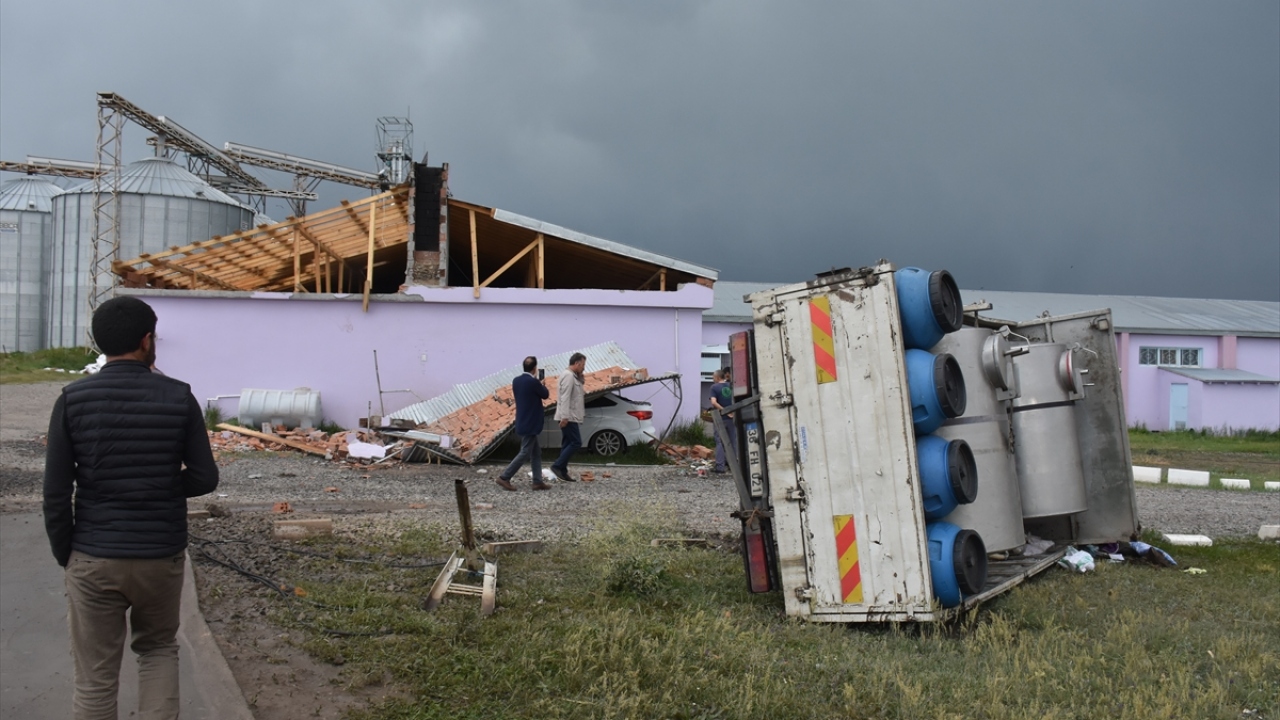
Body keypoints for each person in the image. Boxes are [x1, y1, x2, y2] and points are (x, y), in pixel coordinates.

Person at [43, 296, 220, 720]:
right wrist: (158, 487)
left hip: (92, 555)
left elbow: (54, 491)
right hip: (159, 554)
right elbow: (204, 477)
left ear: (100, 343)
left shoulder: (73, 399)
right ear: (146, 341)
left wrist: (67, 552)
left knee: (95, 677)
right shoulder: (179, 397)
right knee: (158, 649)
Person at [496, 356, 552, 491]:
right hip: (531, 422)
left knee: (536, 453)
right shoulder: (533, 382)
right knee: (525, 452)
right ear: (534, 369)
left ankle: (537, 481)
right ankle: (505, 477)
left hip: (522, 420)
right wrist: (541, 383)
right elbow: (545, 394)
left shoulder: (517, 381)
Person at [550, 352, 586, 482]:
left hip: (572, 415)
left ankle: (563, 472)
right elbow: (565, 397)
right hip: (569, 416)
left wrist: (581, 377)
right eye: (582, 365)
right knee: (576, 442)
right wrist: (564, 417)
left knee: (567, 443)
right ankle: (557, 466)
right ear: (576, 363)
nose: (583, 367)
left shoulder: (574, 377)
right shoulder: (568, 376)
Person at [709, 367, 737, 474]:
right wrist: (732, 411)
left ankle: (720, 467)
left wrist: (724, 410)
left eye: (713, 377)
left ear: (716, 377)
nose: (713, 379)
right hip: (732, 417)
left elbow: (713, 402)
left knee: (720, 441)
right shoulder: (731, 386)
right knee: (732, 441)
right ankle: (733, 466)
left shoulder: (714, 387)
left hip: (720, 418)